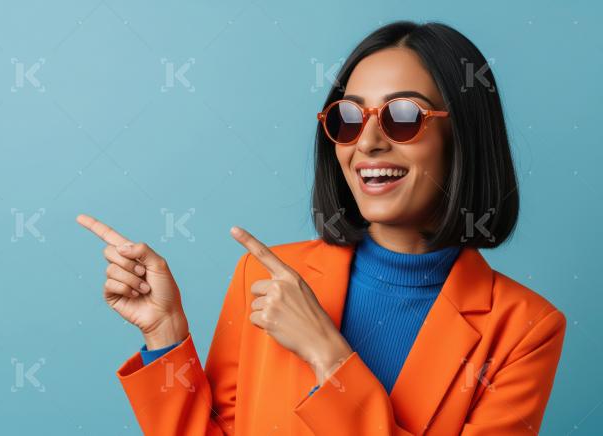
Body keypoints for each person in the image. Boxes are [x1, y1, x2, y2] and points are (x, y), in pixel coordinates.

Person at [77, 20, 566, 435]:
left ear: (464, 135)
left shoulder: (525, 330)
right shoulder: (266, 276)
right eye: (349, 118)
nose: (368, 142)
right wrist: (166, 333)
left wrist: (328, 355)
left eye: (402, 116)